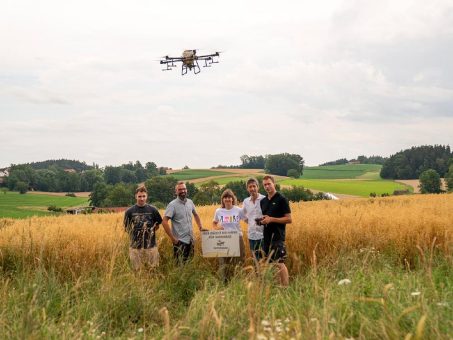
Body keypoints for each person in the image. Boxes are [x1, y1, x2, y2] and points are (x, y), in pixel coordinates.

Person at [260, 175, 292, 286]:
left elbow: (289, 219)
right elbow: (266, 217)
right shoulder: (263, 201)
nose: (267, 186)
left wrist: (271, 219)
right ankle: (279, 286)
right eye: (264, 185)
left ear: (274, 183)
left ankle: (285, 288)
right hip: (267, 236)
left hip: (278, 236)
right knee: (271, 263)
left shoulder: (282, 199)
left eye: (269, 184)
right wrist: (261, 221)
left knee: (280, 263)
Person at [162, 181, 205, 263]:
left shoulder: (190, 202)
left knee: (190, 265)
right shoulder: (172, 205)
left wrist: (200, 227)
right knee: (180, 267)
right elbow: (164, 222)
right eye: (180, 189)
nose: (182, 191)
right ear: (176, 191)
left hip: (191, 240)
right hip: (180, 242)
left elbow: (196, 215)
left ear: (186, 190)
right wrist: (173, 238)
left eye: (184, 189)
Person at [124, 185, 163, 271]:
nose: (142, 199)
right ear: (136, 196)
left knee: (153, 270)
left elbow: (157, 225)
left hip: (151, 246)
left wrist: (149, 233)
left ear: (147, 196)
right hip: (135, 248)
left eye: (143, 196)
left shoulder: (153, 210)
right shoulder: (129, 211)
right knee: (137, 271)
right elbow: (127, 229)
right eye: (139, 196)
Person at [212, 189, 246, 282]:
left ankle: (238, 281)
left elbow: (247, 220)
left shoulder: (238, 210)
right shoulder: (219, 211)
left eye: (229, 197)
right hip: (224, 238)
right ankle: (225, 282)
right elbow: (214, 223)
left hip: (237, 238)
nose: (227, 199)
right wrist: (217, 228)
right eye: (225, 197)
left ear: (232, 199)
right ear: (222, 199)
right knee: (224, 261)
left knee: (238, 261)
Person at [241, 177, 265, 260]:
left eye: (254, 186)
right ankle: (257, 273)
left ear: (258, 187)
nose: (252, 188)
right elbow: (242, 214)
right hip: (251, 236)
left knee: (265, 259)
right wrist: (250, 222)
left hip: (264, 235)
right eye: (250, 187)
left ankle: (265, 273)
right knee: (255, 260)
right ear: (247, 189)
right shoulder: (246, 201)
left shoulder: (264, 199)